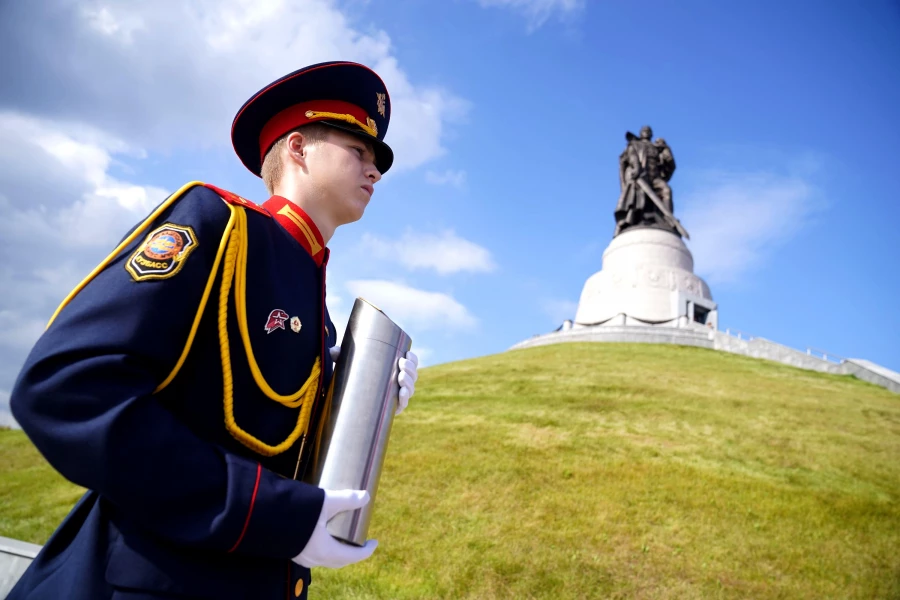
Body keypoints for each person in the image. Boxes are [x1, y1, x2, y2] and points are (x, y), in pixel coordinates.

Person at [8, 60, 418, 600]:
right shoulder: (218, 226)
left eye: (376, 161)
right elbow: (67, 388)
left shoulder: (318, 311)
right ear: (297, 149)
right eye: (358, 151)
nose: (375, 171)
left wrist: (358, 396)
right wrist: (270, 517)